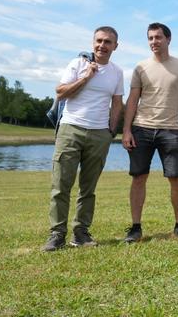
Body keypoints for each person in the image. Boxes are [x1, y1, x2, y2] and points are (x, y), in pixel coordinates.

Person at [42, 26, 124, 252]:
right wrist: (86, 77)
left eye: (108, 42)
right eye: (99, 41)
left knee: (88, 189)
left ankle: (81, 233)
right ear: (92, 43)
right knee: (61, 185)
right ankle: (57, 234)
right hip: (71, 129)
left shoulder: (117, 72)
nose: (102, 45)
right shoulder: (78, 64)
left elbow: (117, 103)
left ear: (115, 46)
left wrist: (110, 131)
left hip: (99, 134)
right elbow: (60, 92)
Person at [122, 23, 178, 242]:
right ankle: (135, 228)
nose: (154, 42)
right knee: (138, 178)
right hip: (141, 129)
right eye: (150, 38)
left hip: (171, 130)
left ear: (168, 39)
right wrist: (126, 130)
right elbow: (133, 100)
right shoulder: (140, 67)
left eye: (158, 37)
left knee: (176, 178)